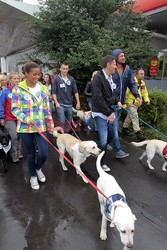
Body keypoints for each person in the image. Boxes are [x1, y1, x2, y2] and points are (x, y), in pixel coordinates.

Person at [12, 62, 54, 190]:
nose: (37, 77)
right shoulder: (18, 89)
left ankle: (37, 168)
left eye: (39, 74)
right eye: (34, 74)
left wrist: (50, 124)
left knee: (43, 154)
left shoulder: (43, 89)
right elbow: (15, 109)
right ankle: (33, 176)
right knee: (31, 154)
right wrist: (26, 118)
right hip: (26, 127)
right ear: (25, 74)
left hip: (40, 126)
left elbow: (47, 109)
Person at [92, 55, 129, 172]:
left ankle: (97, 149)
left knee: (112, 135)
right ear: (108, 65)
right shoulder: (98, 78)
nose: (116, 66)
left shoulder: (110, 77)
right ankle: (102, 163)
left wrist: (117, 101)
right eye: (114, 64)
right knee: (103, 140)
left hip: (110, 112)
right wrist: (109, 113)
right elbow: (98, 98)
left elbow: (112, 94)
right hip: (100, 113)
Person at [0, 72, 23, 163]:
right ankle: (14, 154)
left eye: (18, 78)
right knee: (14, 136)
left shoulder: (21, 90)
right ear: (10, 80)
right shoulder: (5, 91)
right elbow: (1, 105)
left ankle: (19, 151)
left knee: (20, 135)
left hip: (20, 117)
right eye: (14, 78)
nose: (17, 80)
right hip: (9, 117)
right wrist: (1, 117)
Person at [122, 68, 150, 141]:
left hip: (137, 104)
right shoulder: (132, 82)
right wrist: (124, 103)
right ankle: (138, 135)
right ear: (136, 74)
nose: (142, 75)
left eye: (143, 74)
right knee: (135, 118)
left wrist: (146, 100)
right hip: (131, 103)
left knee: (129, 117)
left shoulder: (142, 83)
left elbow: (145, 93)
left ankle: (124, 130)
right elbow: (125, 93)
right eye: (141, 74)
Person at [52, 62, 80, 132]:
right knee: (61, 121)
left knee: (68, 123)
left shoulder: (71, 79)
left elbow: (75, 91)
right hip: (60, 104)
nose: (65, 70)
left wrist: (78, 102)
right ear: (60, 69)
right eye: (63, 69)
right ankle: (62, 136)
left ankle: (66, 136)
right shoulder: (56, 79)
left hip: (69, 104)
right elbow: (53, 92)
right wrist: (56, 102)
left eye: (66, 69)